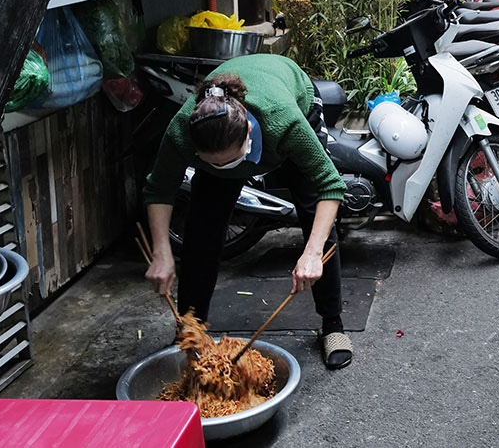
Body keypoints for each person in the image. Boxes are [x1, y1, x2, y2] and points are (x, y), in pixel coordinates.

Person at [143, 53, 353, 370]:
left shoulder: (284, 121)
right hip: (231, 121)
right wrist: (161, 251)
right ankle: (190, 333)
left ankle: (333, 325)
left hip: (289, 92)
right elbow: (159, 188)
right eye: (213, 163)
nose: (224, 169)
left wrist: (311, 253)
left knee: (315, 218)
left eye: (231, 161)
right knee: (201, 233)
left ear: (249, 135)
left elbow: (330, 186)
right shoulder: (182, 132)